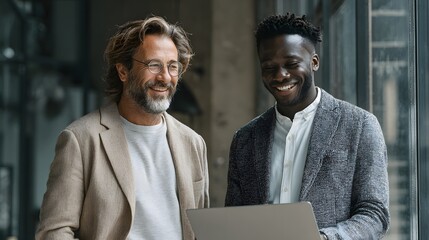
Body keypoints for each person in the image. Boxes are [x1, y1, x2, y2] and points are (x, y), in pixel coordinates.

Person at [36, 16, 209, 240]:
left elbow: (201, 230)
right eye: (153, 65)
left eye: (172, 67)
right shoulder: (80, 140)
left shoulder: (193, 143)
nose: (164, 77)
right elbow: (54, 232)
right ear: (123, 72)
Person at [225, 13, 389, 240]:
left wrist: (324, 238)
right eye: (269, 67)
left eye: (291, 64)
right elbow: (234, 218)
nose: (280, 76)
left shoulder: (360, 126)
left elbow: (375, 214)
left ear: (314, 62)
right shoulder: (244, 139)